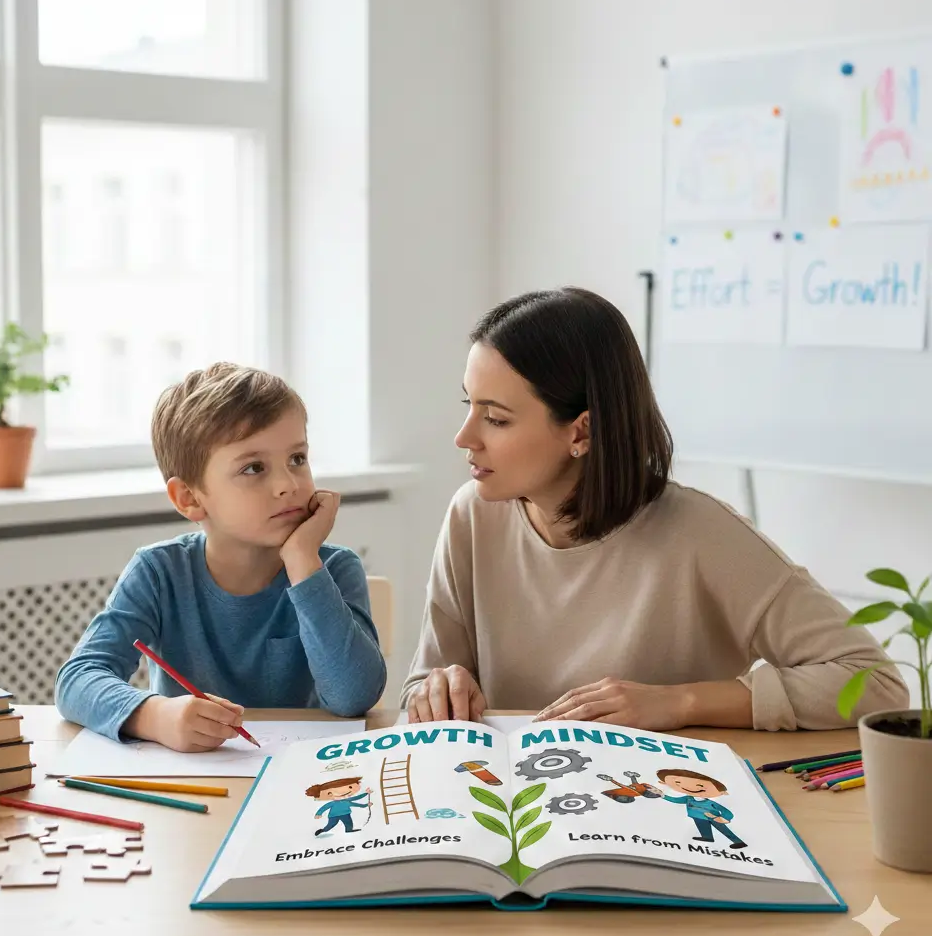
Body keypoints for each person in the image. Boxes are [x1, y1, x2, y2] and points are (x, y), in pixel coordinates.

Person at [401, 288, 908, 731]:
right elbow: (426, 683)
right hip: (511, 810)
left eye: (495, 418)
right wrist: (436, 689)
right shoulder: (472, 516)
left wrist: (679, 701)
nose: (464, 437)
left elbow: (875, 682)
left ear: (580, 431)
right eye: (468, 405)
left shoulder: (703, 533)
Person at [56, 363, 386, 750]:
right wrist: (155, 716)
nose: (288, 484)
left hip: (301, 776)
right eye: (253, 468)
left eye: (297, 458)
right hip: (198, 784)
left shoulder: (331, 567)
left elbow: (354, 697)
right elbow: (78, 678)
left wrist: (301, 560)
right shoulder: (159, 572)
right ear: (190, 498)